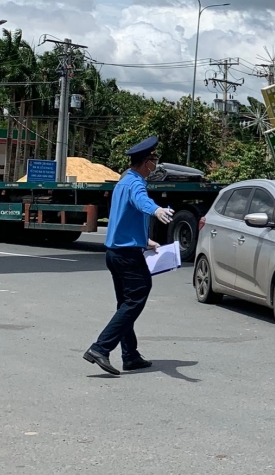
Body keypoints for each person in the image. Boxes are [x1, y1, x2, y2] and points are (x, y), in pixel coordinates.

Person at [83, 136, 174, 375]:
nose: (156, 165)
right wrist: (157, 209)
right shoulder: (136, 184)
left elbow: (122, 220)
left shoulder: (122, 182)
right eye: (154, 160)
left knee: (126, 304)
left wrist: (146, 241)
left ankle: (130, 355)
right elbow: (142, 201)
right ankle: (100, 348)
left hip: (115, 253)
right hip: (127, 257)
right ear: (146, 163)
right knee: (135, 300)